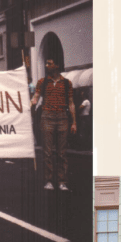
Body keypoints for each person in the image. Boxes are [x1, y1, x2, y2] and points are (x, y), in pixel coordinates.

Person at [29, 56, 76, 191]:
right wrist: (30, 105)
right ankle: (49, 180)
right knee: (47, 151)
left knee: (62, 152)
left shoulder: (67, 83)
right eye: (47, 63)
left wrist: (74, 122)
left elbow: (71, 103)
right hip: (47, 117)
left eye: (49, 63)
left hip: (62, 117)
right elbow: (36, 98)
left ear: (56, 66)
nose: (46, 65)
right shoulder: (42, 82)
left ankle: (62, 181)